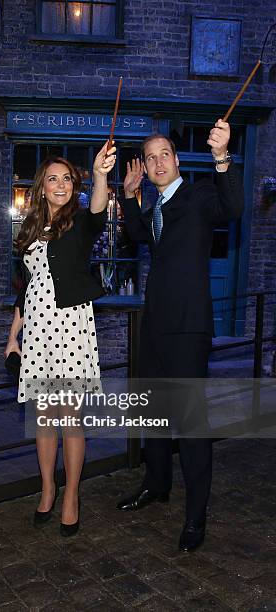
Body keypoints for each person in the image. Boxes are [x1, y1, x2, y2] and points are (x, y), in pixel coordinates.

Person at [117, 119, 244, 551]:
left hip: (188, 326)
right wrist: (129, 193)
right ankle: (157, 484)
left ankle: (195, 516)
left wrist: (222, 157)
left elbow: (233, 207)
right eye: (149, 158)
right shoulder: (154, 205)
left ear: (175, 158)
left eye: (163, 154)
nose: (156, 162)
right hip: (154, 323)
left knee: (190, 423)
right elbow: (135, 235)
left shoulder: (199, 195)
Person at [5, 142, 116, 536]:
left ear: (74, 185)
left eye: (67, 178)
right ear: (41, 187)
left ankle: (72, 495)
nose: (60, 184)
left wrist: (100, 175)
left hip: (70, 326)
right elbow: (26, 288)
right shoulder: (31, 226)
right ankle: (47, 490)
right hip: (36, 330)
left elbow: (100, 208)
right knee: (43, 417)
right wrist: (13, 337)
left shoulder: (82, 222)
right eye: (52, 178)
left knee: (68, 416)